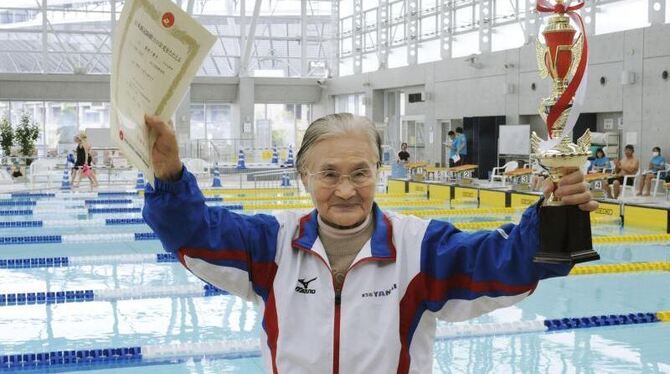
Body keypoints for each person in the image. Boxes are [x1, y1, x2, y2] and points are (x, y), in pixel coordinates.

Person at [142, 113, 596, 373]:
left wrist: (557, 213)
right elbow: (194, 234)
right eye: (329, 174)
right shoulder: (270, 244)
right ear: (303, 177)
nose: (345, 190)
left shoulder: (422, 248)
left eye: (360, 172)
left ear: (378, 171)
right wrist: (168, 175)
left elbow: (510, 263)